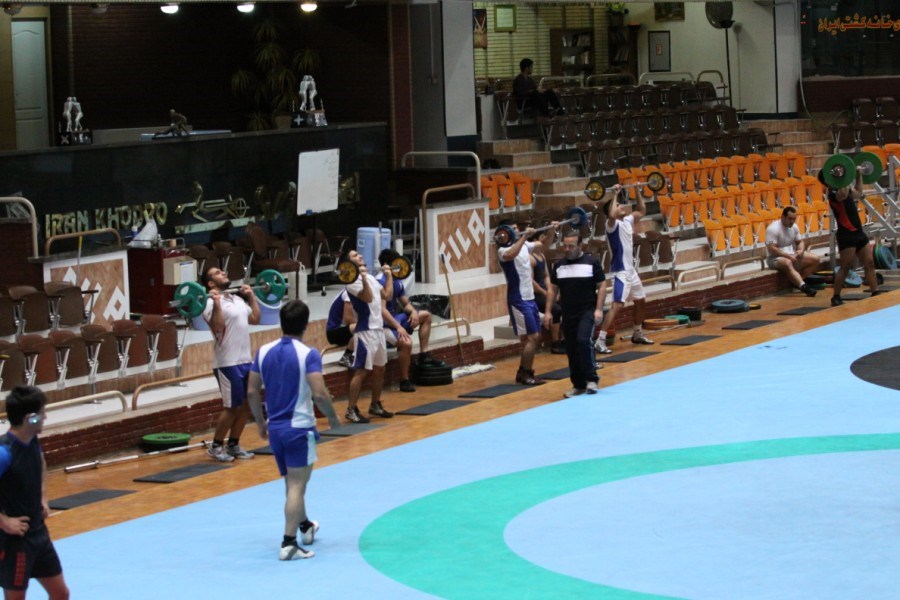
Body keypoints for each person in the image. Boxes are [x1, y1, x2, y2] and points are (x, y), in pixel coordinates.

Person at [247, 300, 342, 561]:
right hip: (299, 428)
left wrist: (260, 422)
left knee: (292, 484)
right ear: (306, 324)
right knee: (297, 486)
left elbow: (252, 391)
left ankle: (305, 525)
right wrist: (333, 418)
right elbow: (319, 393)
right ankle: (288, 543)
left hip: (276, 429)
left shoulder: (263, 351)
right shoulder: (308, 354)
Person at [0, 386, 70, 599]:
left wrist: (43, 497)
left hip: (39, 534)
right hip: (15, 541)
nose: (45, 417)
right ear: (29, 418)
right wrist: (4, 522)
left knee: (60, 593)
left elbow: (41, 462)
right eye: (41, 413)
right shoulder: (4, 453)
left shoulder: (32, 441)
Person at [201, 266, 260, 462]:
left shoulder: (237, 299)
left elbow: (255, 319)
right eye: (218, 273)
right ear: (210, 283)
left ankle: (233, 445)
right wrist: (217, 302)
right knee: (232, 407)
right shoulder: (208, 302)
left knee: (245, 406)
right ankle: (216, 446)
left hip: (245, 361)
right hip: (227, 363)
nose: (224, 273)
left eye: (223, 271)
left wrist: (251, 296)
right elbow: (217, 327)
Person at [342, 249, 408, 423]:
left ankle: (375, 405)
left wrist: (389, 275)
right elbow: (368, 297)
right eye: (355, 256)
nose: (360, 256)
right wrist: (363, 277)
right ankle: (351, 410)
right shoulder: (351, 282)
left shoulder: (372, 278)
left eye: (359, 254)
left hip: (378, 330)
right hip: (365, 332)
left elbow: (387, 295)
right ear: (348, 263)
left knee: (380, 368)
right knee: (362, 371)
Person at [546, 230, 607, 397]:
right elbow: (553, 289)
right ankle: (578, 384)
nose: (567, 249)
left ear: (581, 246)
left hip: (587, 311)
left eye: (571, 246)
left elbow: (602, 285)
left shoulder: (591, 263)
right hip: (568, 313)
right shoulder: (559, 266)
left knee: (583, 340)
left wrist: (598, 309)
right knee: (571, 348)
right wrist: (548, 312)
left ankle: (591, 378)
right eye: (565, 246)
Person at [376, 248, 446, 392]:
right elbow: (382, 312)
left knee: (426, 315)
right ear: (387, 265)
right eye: (396, 263)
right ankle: (404, 380)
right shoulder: (380, 282)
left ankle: (424, 355)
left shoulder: (396, 281)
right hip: (383, 325)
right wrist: (399, 327)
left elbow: (405, 303)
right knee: (407, 344)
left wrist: (413, 312)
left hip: (395, 319)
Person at [498, 219, 557, 385]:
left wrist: (552, 230)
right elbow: (511, 255)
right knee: (532, 337)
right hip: (518, 299)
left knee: (536, 337)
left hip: (529, 297)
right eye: (513, 229)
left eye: (517, 228)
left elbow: (543, 245)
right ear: (505, 233)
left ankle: (523, 371)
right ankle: (526, 373)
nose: (516, 231)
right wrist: (524, 237)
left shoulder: (524, 245)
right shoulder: (503, 250)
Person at [595, 190, 654, 353]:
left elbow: (641, 210)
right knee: (617, 305)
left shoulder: (627, 220)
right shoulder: (611, 225)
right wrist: (614, 194)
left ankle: (637, 333)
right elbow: (612, 214)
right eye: (617, 205)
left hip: (631, 271)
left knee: (641, 301)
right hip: (620, 272)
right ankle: (600, 340)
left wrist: (638, 192)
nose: (621, 206)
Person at [819, 168, 879, 305]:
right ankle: (836, 297)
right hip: (846, 234)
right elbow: (843, 194)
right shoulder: (832, 193)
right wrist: (844, 176)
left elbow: (858, 192)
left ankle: (875, 293)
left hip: (858, 232)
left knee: (869, 262)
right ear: (827, 179)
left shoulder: (842, 188)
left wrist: (858, 174)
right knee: (846, 266)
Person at [765, 206, 820, 297]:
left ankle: (800, 281)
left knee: (815, 259)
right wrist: (789, 256)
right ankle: (804, 287)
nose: (792, 221)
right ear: (783, 217)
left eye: (794, 219)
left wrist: (800, 251)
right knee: (787, 263)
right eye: (790, 219)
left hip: (792, 254)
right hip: (774, 258)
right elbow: (772, 249)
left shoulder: (794, 227)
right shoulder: (773, 229)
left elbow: (800, 242)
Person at [530, 229, 565, 354]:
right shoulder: (530, 258)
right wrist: (545, 293)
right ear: (535, 241)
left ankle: (564, 339)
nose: (544, 240)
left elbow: (546, 276)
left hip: (544, 293)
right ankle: (555, 344)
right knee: (556, 310)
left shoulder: (542, 256)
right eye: (542, 238)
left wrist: (551, 291)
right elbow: (531, 282)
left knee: (565, 305)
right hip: (535, 295)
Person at [325, 289, 355, 368]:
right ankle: (346, 356)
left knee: (364, 327)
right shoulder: (349, 292)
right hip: (334, 332)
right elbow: (348, 318)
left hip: (344, 329)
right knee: (362, 328)